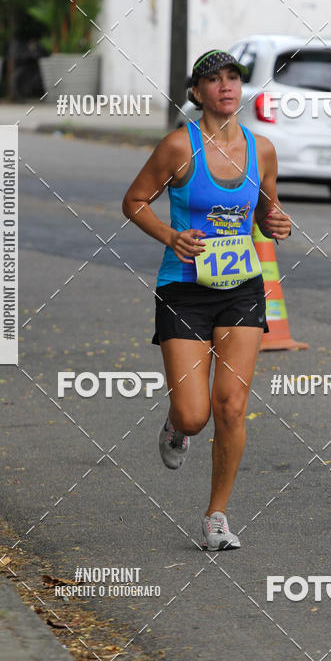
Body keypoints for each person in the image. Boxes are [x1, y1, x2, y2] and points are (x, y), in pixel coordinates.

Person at [122, 48, 291, 550]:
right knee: (195, 414)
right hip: (185, 290)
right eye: (212, 80)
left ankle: (217, 515)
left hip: (241, 287)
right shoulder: (178, 146)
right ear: (196, 93)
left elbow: (266, 211)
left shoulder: (262, 150)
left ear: (240, 88)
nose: (225, 86)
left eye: (233, 77)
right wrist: (171, 237)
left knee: (231, 407)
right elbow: (133, 202)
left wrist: (275, 222)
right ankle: (176, 428)